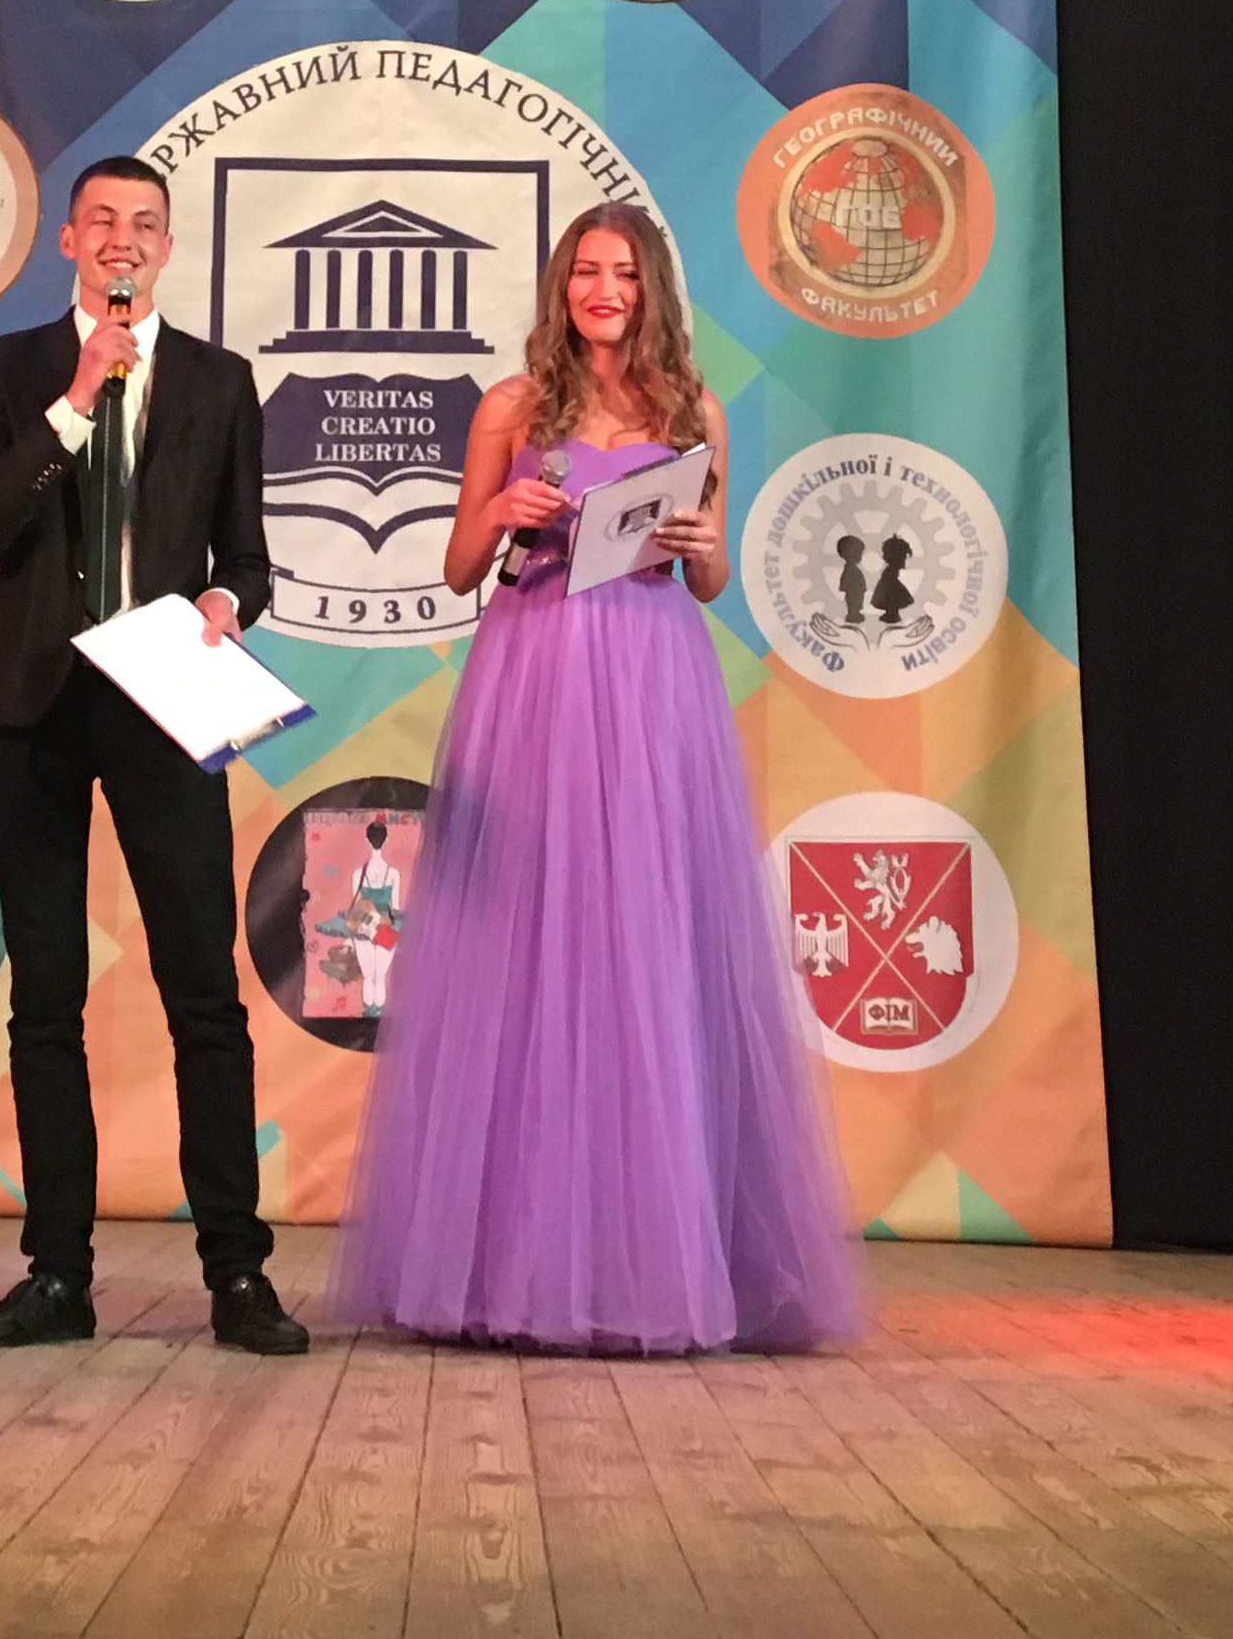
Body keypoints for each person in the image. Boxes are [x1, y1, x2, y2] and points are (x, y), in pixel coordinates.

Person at [327, 201, 867, 1354]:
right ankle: (506, 1267)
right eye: (584, 270)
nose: (602, 289)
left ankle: (656, 1262)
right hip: (532, 673)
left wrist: (707, 550)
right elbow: (459, 564)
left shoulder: (693, 410)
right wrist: (502, 508)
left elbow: (710, 581)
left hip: (652, 677)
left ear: (651, 286)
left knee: (647, 944)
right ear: (561, 286)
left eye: (622, 271)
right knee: (524, 947)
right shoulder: (513, 406)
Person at [0, 156, 308, 1357]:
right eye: (102, 220)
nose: (123, 239)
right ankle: (58, 1275)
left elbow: (245, 554)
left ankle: (237, 1274)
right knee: (45, 996)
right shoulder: (11, 368)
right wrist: (75, 398)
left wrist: (227, 602)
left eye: (145, 224)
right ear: (67, 241)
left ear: (167, 247)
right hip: (32, 703)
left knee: (203, 990)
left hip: (165, 702)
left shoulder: (217, 379)